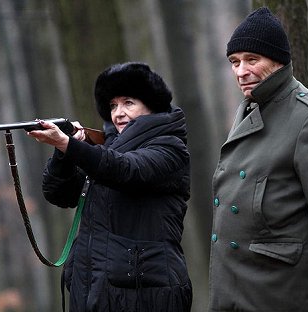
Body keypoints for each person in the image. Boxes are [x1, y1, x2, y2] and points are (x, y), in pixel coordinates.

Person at [208, 7, 308, 312]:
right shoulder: (249, 109)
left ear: (278, 61)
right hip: (237, 293)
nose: (241, 71)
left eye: (252, 60)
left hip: (281, 295)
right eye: (234, 62)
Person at [28, 62, 192, 312]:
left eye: (128, 102)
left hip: (145, 295)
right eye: (113, 105)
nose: (118, 113)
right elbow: (58, 193)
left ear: (152, 104)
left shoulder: (170, 148)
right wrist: (65, 152)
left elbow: (126, 170)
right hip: (94, 290)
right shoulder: (105, 151)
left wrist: (70, 146)